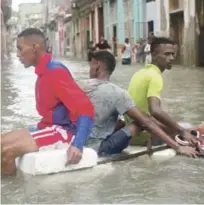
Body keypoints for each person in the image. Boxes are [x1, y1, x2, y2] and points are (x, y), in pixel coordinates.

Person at [1, 28, 94, 176]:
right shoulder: (44, 71)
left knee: (7, 151)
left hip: (65, 131)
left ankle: (12, 193)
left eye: (20, 49)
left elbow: (86, 109)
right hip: (48, 126)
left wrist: (78, 144)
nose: (18, 54)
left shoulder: (55, 72)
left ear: (34, 48)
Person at [78, 50, 197, 157]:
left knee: (122, 121)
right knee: (140, 121)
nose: (90, 68)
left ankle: (180, 133)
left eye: (91, 65)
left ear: (97, 65)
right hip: (101, 149)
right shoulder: (118, 93)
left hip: (76, 144)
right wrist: (177, 147)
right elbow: (146, 122)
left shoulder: (78, 86)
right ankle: (178, 137)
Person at [126, 37, 198, 148]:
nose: (172, 58)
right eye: (167, 54)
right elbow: (155, 111)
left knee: (186, 128)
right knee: (189, 130)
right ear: (154, 55)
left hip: (130, 132)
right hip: (143, 135)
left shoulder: (140, 73)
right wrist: (182, 131)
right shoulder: (155, 76)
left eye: (173, 54)